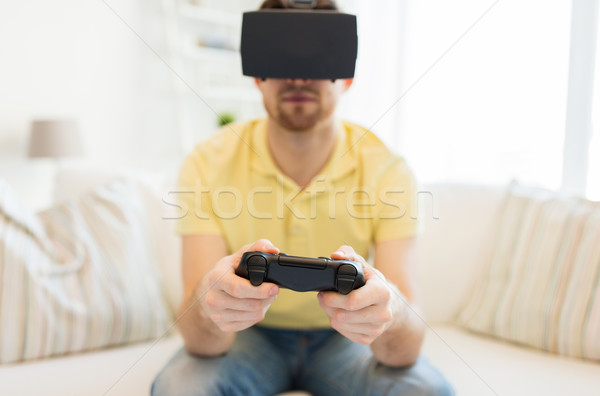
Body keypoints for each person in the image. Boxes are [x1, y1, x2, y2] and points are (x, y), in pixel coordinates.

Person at [153, 1, 454, 395]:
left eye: (316, 57)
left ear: (346, 78)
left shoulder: (387, 169)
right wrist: (213, 307)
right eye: (279, 58)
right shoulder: (206, 163)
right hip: (249, 336)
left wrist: (389, 311)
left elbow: (405, 350)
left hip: (344, 340)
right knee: (182, 389)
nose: (297, 77)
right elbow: (200, 341)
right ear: (257, 76)